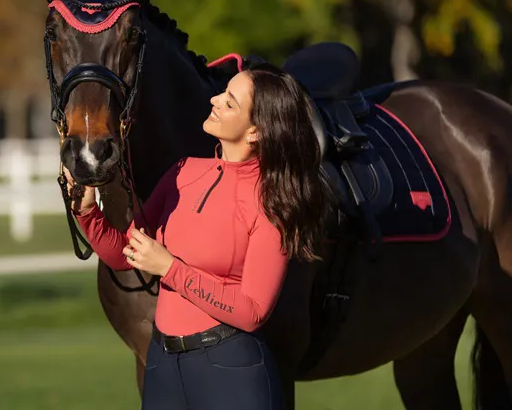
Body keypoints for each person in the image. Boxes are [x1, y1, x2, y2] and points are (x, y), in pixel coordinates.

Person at [65, 61, 333, 410]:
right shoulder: (183, 172)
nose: (215, 101)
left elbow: (253, 310)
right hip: (163, 364)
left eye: (230, 102)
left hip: (230, 369)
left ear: (255, 131)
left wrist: (170, 268)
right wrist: (88, 212)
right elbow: (123, 255)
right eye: (223, 92)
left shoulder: (272, 202)